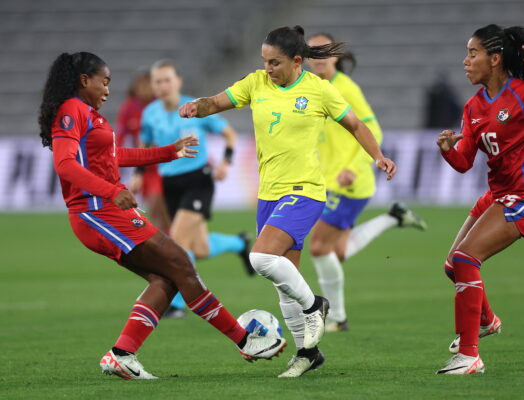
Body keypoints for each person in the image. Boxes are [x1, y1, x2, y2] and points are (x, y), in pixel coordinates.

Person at [38, 52, 286, 380]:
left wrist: (168, 152)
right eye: (104, 82)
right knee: (180, 262)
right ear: (85, 80)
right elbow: (65, 165)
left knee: (167, 278)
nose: (108, 90)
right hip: (96, 212)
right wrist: (112, 191)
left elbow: (114, 156)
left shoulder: (90, 114)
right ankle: (245, 341)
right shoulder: (71, 110)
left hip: (109, 210)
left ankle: (122, 355)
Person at [179, 25, 397, 378]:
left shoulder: (319, 90)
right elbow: (217, 102)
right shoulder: (255, 84)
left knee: (260, 257)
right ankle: (308, 353)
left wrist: (377, 156)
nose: (268, 69)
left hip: (306, 190)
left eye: (275, 63)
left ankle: (316, 305)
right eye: (264, 61)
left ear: (297, 61)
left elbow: (356, 125)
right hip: (269, 194)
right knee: (284, 282)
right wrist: (195, 107)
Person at [435, 25, 524, 374]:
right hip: (498, 195)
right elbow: (464, 162)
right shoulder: (473, 107)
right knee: (454, 266)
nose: (465, 61)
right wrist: (446, 151)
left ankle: (469, 356)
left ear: (495, 58)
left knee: (467, 260)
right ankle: (486, 322)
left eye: (473, 54)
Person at [306, 33, 427, 333]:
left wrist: (354, 166)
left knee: (320, 248)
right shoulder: (311, 88)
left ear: (336, 55)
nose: (319, 56)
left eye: (325, 50)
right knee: (338, 252)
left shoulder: (346, 88)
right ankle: (392, 217)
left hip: (349, 182)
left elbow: (372, 128)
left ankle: (337, 317)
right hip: (327, 180)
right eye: (313, 51)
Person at [134, 59, 254, 318]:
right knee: (199, 248)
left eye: (167, 80)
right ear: (152, 86)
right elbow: (144, 146)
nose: (163, 85)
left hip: (199, 180)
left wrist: (225, 162)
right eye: (158, 81)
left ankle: (177, 304)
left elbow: (230, 134)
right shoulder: (150, 114)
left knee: (176, 240)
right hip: (170, 185)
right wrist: (139, 173)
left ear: (178, 81)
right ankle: (239, 243)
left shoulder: (194, 107)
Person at [116, 68, 170, 233]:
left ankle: (166, 247)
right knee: (158, 213)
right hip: (143, 166)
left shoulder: (160, 106)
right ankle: (169, 245)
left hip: (162, 166)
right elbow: (120, 136)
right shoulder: (129, 107)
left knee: (158, 209)